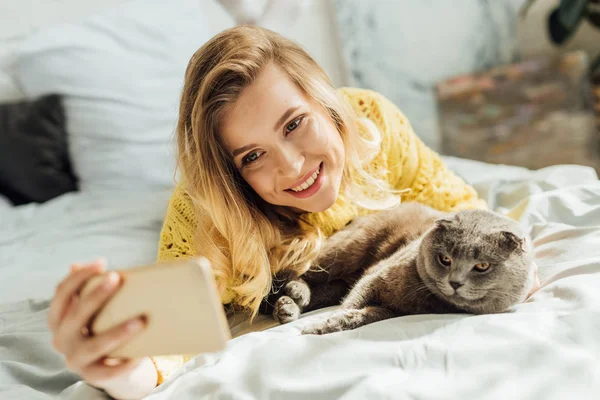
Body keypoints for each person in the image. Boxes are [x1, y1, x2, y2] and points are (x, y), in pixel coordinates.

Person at [48, 25, 486, 399]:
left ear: (324, 101)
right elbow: (168, 344)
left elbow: (466, 212)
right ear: (233, 174)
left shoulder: (373, 121)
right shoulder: (207, 210)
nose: (293, 167)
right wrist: (119, 371)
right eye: (253, 156)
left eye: (294, 124)